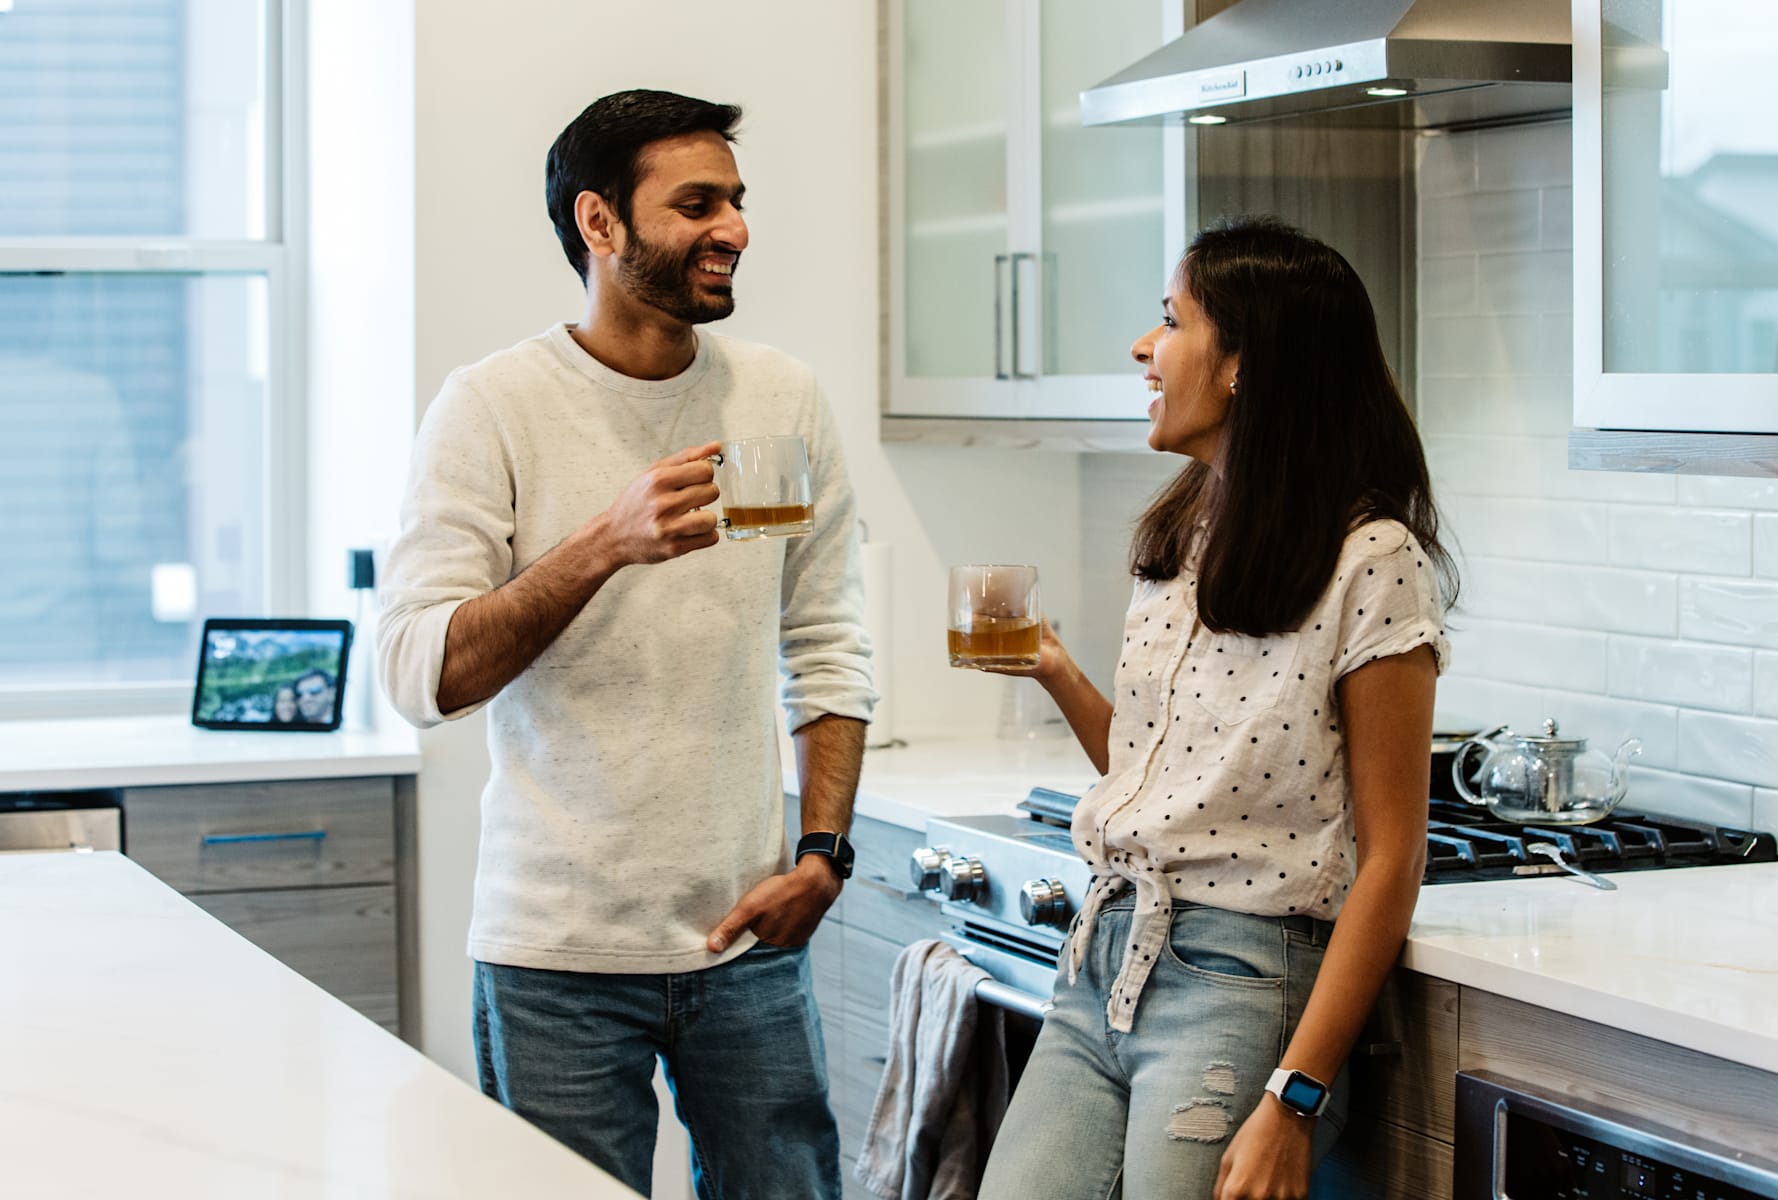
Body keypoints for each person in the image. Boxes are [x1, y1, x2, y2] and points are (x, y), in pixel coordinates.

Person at [375, 89, 874, 1200]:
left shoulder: (781, 398)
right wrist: (602, 543)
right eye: (696, 204)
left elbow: (829, 639)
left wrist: (823, 857)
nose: (734, 229)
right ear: (599, 223)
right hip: (553, 951)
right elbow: (420, 674)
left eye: (737, 202)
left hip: (747, 938)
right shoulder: (492, 407)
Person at [972, 216, 1455, 1199]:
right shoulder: (1187, 535)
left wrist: (1295, 1096)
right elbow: (1166, 779)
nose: (1146, 349)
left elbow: (1395, 855)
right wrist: (1057, 669)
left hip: (1238, 985)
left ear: (1246, 364)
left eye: (1171, 321)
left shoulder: (1376, 565)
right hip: (1102, 957)